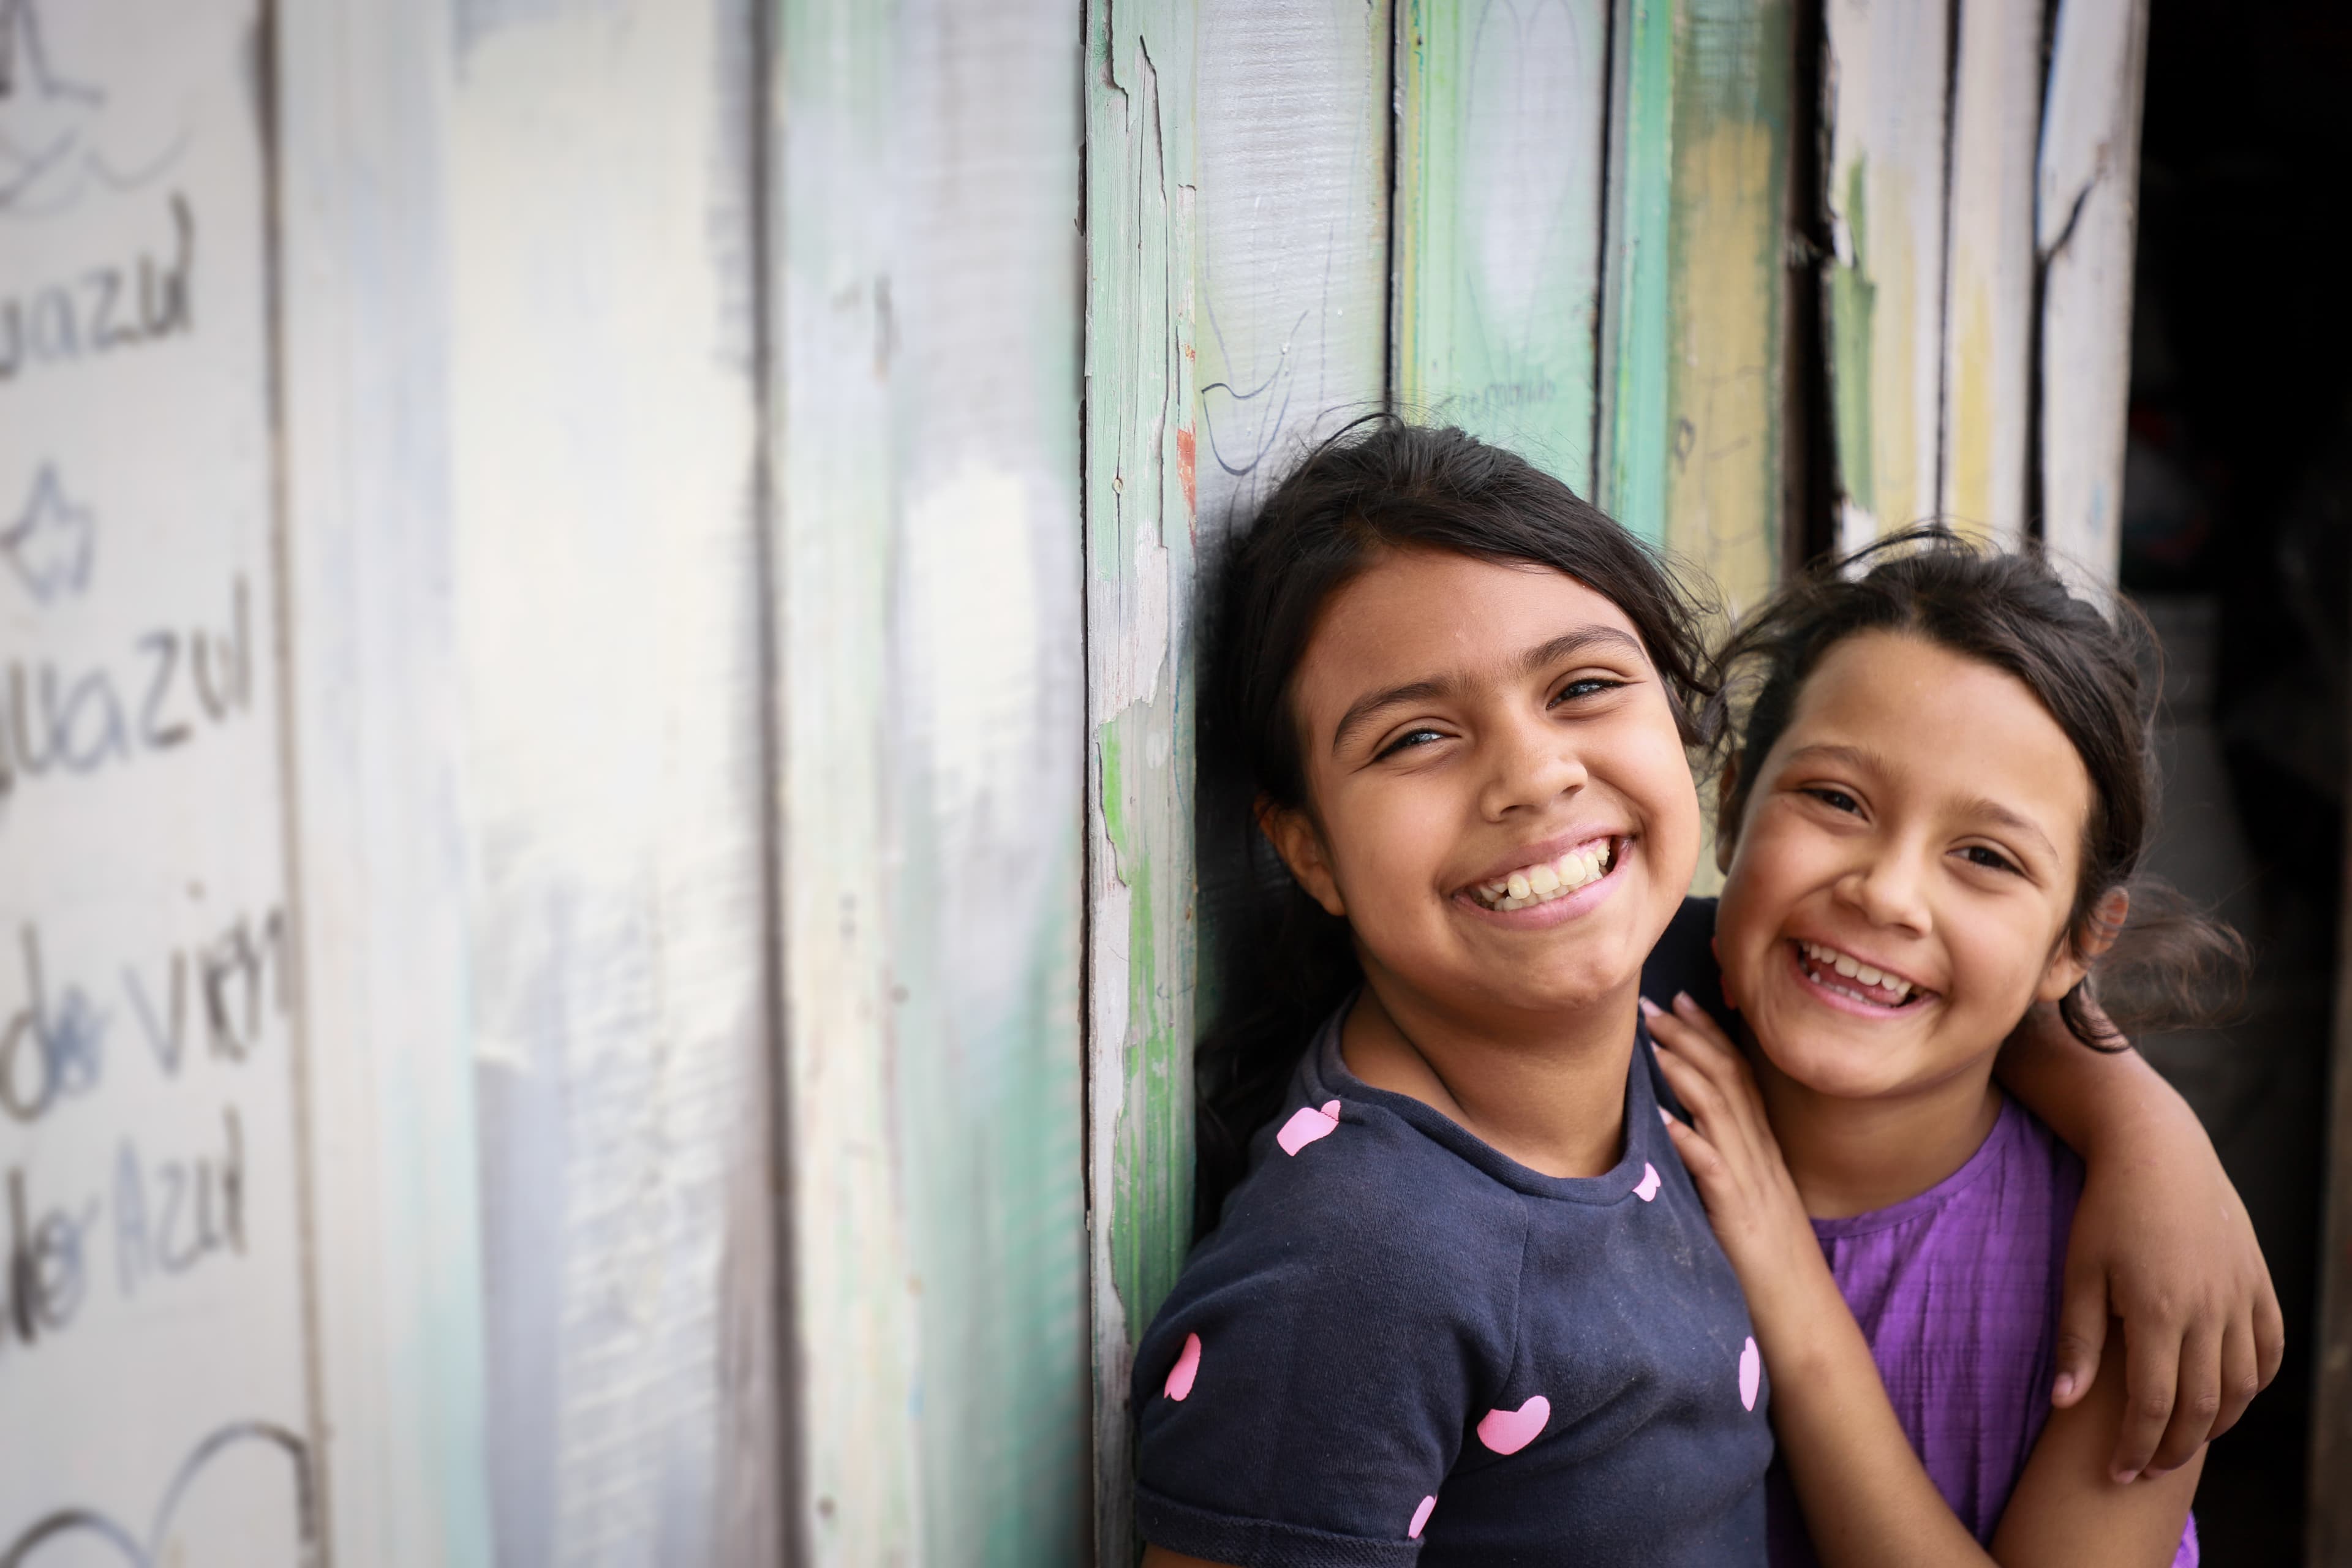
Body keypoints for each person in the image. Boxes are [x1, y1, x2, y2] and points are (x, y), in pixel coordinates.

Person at [1132, 423, 2278, 1567]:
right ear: (1737, 802)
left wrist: (2150, 1133)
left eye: (1582, 685)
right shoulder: (1375, 1252)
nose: (1884, 895)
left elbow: (1966, 1005)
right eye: (1417, 735)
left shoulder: (1669, 996)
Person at [1646, 531, 2241, 1565]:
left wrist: (1789, 1284)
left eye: (1986, 857)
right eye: (1836, 801)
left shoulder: (2124, 1278)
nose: (1886, 891)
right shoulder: (1602, 1067)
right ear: (1735, 805)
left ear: (2076, 946)